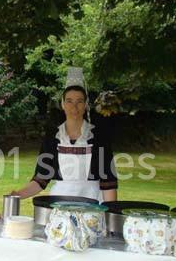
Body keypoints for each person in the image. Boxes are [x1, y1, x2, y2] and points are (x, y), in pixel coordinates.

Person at [11, 68, 118, 202]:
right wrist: (17, 195)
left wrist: (111, 215)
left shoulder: (99, 137)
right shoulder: (53, 138)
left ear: (85, 105)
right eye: (69, 101)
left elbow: (108, 183)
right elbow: (41, 180)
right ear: (62, 104)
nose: (74, 107)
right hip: (59, 204)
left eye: (79, 101)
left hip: (92, 205)